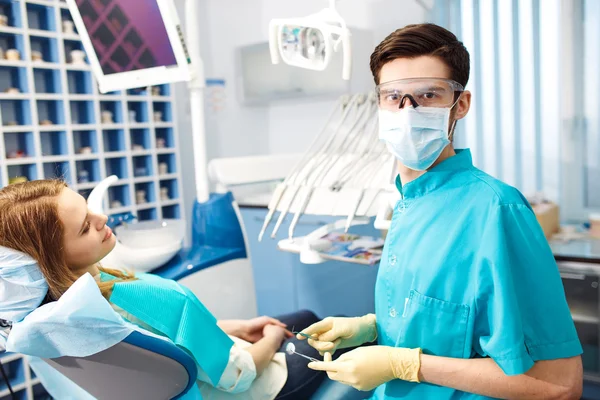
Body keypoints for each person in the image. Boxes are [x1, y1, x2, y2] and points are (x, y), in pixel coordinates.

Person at [300, 23, 583, 399]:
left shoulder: (497, 210)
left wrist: (406, 364)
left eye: (428, 94)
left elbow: (560, 383)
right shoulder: (409, 202)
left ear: (459, 104)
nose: (408, 111)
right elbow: (453, 319)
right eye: (393, 96)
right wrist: (374, 327)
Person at [0, 179, 326, 400]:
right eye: (85, 226)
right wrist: (271, 337)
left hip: (214, 364)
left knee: (305, 318)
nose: (102, 218)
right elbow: (237, 375)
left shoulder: (58, 323)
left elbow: (158, 341)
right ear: (52, 261)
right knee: (328, 326)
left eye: (89, 209)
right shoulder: (136, 301)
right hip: (249, 388)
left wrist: (236, 327)